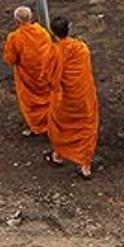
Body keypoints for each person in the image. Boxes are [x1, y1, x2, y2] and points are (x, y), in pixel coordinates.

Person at [43, 17, 100, 179]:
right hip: (83, 96)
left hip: (65, 99)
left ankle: (58, 156)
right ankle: (85, 166)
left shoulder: (54, 52)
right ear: (70, 28)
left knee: (61, 127)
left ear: (53, 33)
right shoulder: (81, 48)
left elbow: (49, 77)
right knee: (86, 128)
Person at [1, 6, 54, 137]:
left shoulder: (14, 38)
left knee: (32, 103)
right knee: (48, 98)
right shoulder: (42, 32)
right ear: (31, 18)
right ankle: (53, 123)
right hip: (45, 74)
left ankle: (38, 126)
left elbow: (10, 59)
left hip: (27, 78)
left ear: (16, 21)